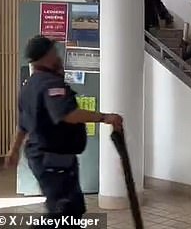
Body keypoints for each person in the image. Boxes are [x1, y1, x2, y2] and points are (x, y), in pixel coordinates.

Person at [6, 36, 123, 222]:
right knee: (65, 212)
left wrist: (14, 151)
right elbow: (68, 114)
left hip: (46, 159)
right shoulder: (50, 83)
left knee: (72, 209)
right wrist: (105, 117)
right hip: (53, 161)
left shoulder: (29, 85)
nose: (57, 55)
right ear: (45, 56)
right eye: (54, 51)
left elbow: (22, 125)